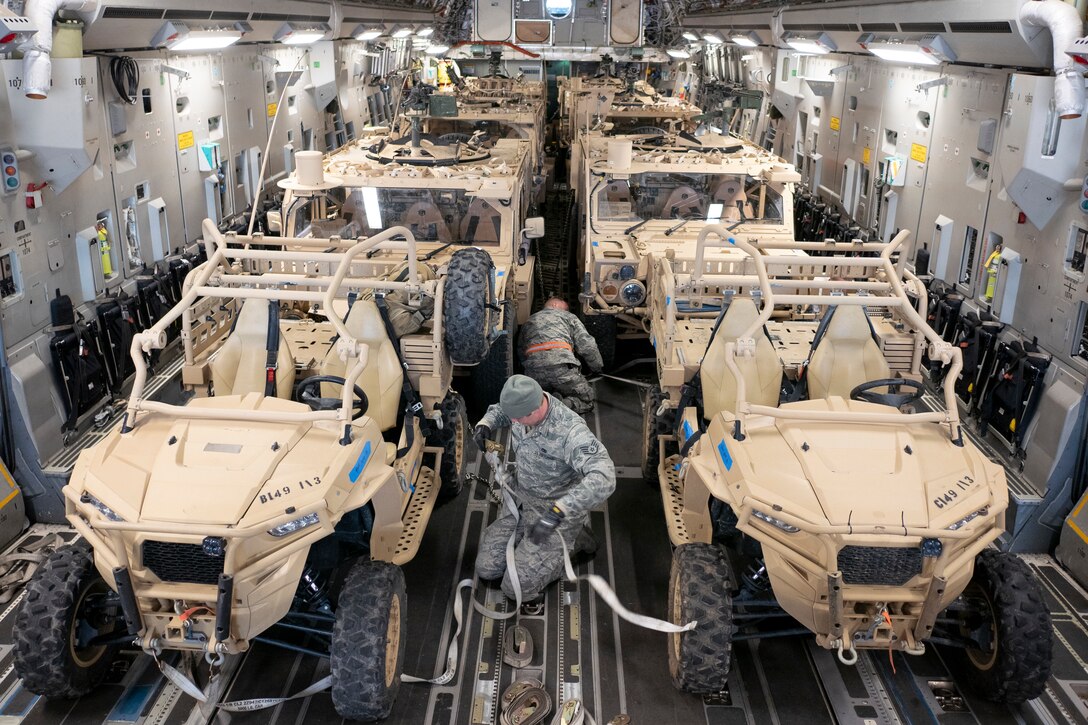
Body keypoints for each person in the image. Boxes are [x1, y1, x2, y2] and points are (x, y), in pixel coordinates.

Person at [473, 375, 616, 603]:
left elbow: (605, 477)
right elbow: (501, 410)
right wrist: (485, 423)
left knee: (515, 588)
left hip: (554, 513)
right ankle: (533, 549)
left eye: (517, 419)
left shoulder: (570, 432)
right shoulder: (523, 405)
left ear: (534, 409)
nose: (513, 422)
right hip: (523, 498)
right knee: (487, 569)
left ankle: (576, 539)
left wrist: (560, 511)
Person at [517, 298, 604, 414]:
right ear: (554, 304)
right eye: (566, 309)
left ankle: (544, 399)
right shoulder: (568, 317)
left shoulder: (528, 321)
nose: (567, 311)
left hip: (534, 373)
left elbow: (521, 352)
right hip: (562, 369)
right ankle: (560, 405)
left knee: (538, 395)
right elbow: (588, 346)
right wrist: (597, 367)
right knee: (587, 400)